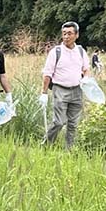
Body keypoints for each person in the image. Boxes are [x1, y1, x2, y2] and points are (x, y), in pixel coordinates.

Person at [39, 21, 91, 149]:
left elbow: (86, 68)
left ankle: (69, 150)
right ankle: (46, 145)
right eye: (64, 34)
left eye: (70, 33)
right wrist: (44, 93)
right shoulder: (56, 52)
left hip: (77, 90)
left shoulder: (80, 51)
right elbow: (47, 73)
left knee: (73, 124)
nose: (66, 37)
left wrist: (86, 78)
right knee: (59, 122)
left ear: (76, 35)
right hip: (60, 89)